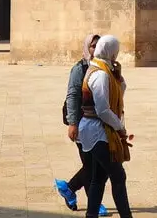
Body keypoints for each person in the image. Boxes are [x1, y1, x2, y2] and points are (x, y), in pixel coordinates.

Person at [55, 33, 109, 216]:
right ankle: (92, 202)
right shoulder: (80, 68)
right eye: (93, 46)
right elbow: (72, 96)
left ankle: (69, 188)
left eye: (99, 45)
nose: (96, 49)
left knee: (96, 165)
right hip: (82, 123)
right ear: (87, 48)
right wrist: (73, 123)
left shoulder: (104, 66)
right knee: (92, 165)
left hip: (100, 123)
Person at [79, 36, 133, 218]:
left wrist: (118, 76)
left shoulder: (106, 70)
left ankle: (91, 215)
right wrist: (120, 127)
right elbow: (103, 110)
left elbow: (119, 90)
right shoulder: (100, 74)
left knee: (99, 178)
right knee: (118, 176)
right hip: (97, 131)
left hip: (98, 130)